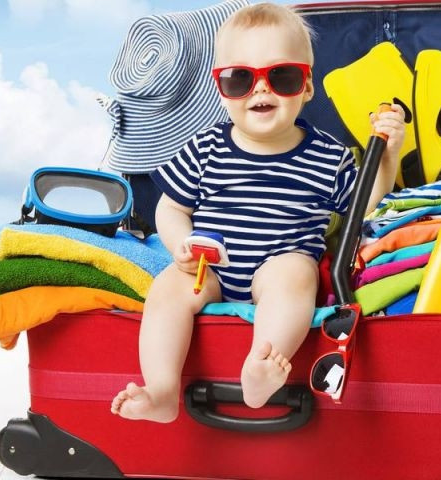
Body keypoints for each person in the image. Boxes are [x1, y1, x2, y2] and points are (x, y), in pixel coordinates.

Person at [111, 2, 405, 423]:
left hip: (277, 265)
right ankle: (161, 390)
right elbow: (171, 207)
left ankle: (262, 364)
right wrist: (180, 246)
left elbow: (364, 205)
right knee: (167, 291)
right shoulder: (206, 147)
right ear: (221, 90)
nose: (261, 90)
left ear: (307, 87)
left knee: (295, 275)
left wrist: (388, 156)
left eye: (282, 77)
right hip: (209, 270)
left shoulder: (327, 156)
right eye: (240, 79)